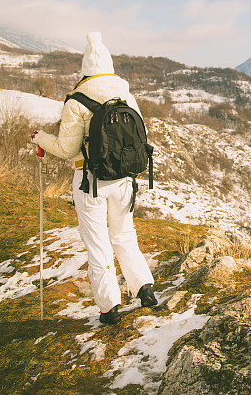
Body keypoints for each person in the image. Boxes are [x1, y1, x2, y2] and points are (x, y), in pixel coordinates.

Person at [31, 31, 157, 325]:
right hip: (125, 180)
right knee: (125, 235)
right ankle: (145, 289)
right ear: (110, 67)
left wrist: (41, 138)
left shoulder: (77, 101)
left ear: (85, 70)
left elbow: (66, 149)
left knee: (98, 243)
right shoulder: (126, 94)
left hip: (91, 182)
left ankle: (109, 307)